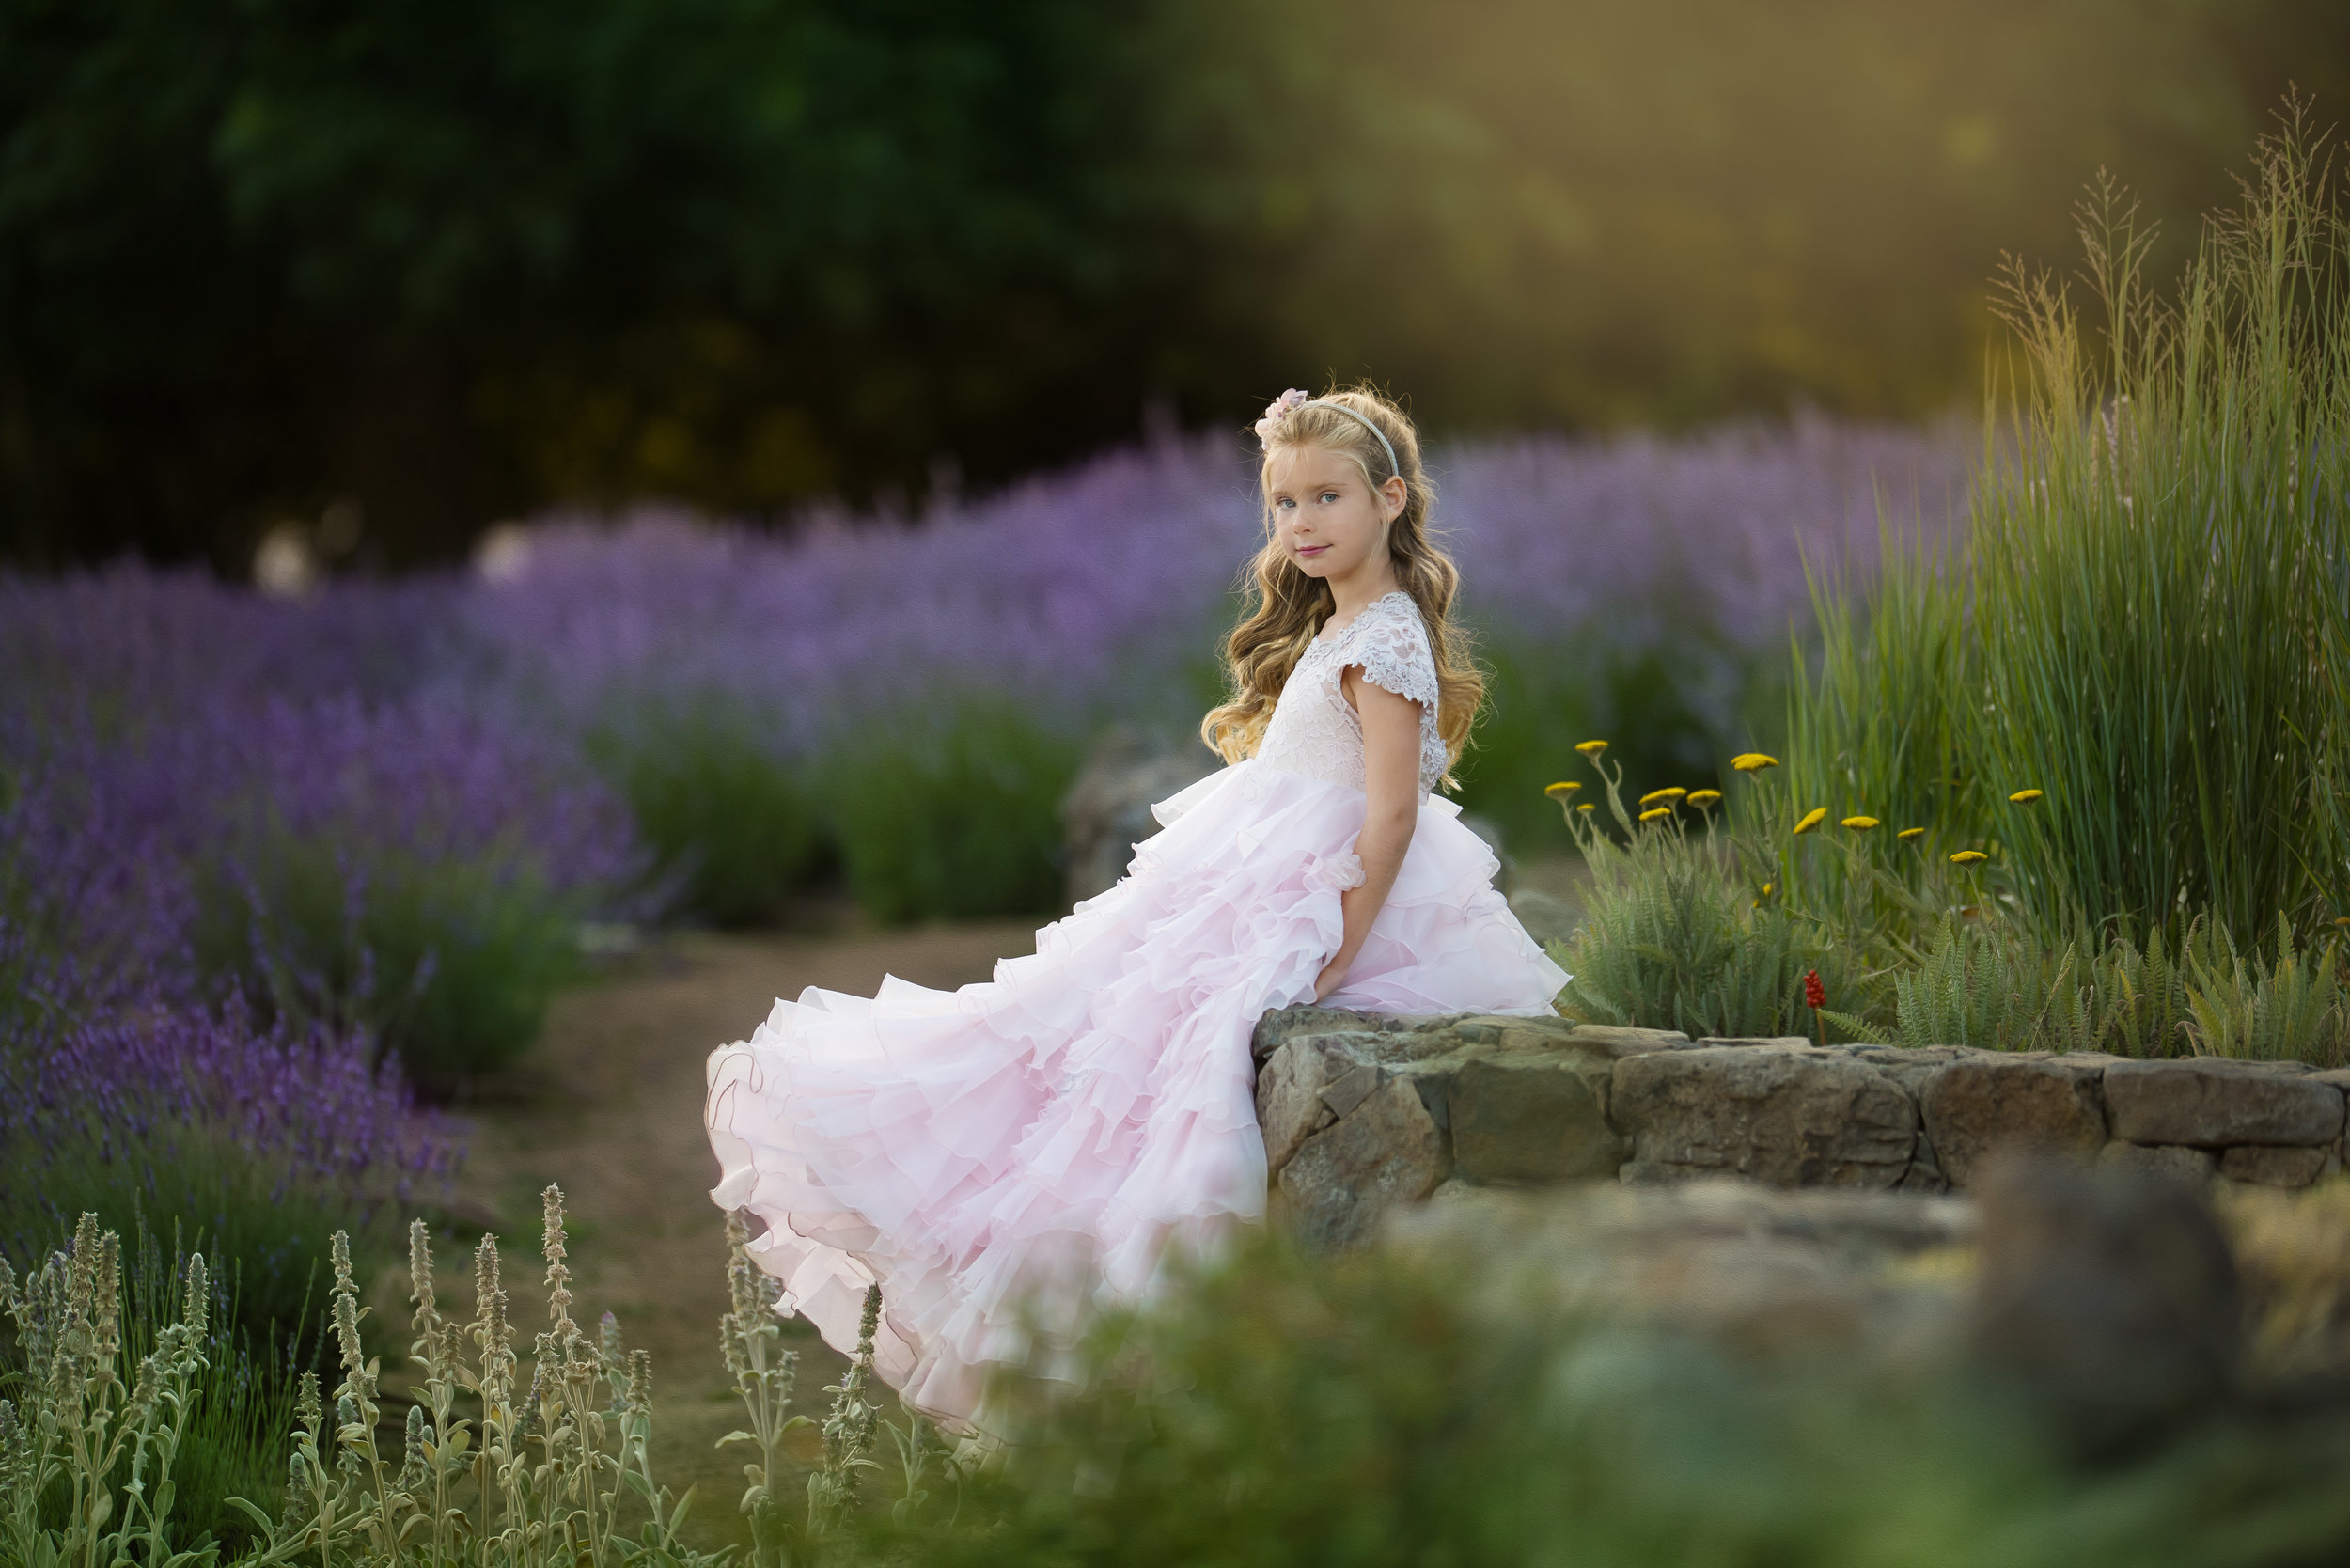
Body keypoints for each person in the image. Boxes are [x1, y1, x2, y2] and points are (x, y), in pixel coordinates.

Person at [704, 385, 1567, 1429]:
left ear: (1389, 500)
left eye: (1326, 497)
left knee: (1168, 1075)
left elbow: (1388, 818)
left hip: (1315, 887)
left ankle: (1137, 1315)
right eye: (1283, 504)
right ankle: (1073, 1293)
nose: (1300, 523)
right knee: (1095, 1050)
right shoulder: (1347, 624)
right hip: (1254, 870)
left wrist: (1337, 941)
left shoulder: (1385, 640)